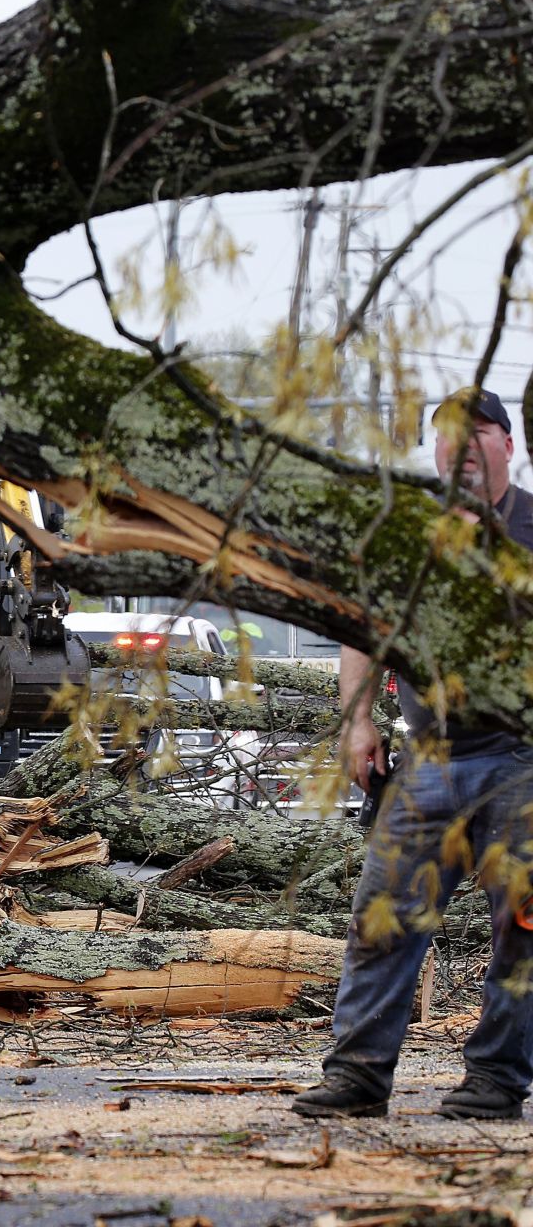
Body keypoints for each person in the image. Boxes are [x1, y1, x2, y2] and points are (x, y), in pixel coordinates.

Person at [293, 387, 533, 1121]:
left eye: (479, 433)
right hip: (429, 757)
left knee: (524, 926)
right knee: (383, 919)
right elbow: (361, 628)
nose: (460, 447)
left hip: (523, 759)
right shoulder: (407, 535)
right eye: (447, 435)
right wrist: (358, 721)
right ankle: (357, 1076)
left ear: (507, 446)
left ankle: (495, 1080)